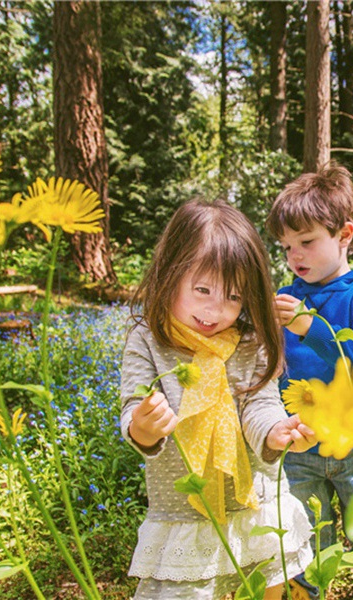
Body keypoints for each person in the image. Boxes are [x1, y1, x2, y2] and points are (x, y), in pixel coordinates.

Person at [120, 199, 316, 600]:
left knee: (267, 585)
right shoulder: (147, 341)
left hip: (257, 504)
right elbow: (132, 410)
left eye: (233, 297)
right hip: (184, 510)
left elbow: (260, 404)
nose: (215, 310)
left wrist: (275, 432)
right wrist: (143, 427)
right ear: (169, 274)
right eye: (202, 290)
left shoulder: (249, 341)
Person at [266, 163, 353, 598]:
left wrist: (309, 325)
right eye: (286, 247)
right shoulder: (289, 297)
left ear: (345, 234)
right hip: (301, 445)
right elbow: (276, 362)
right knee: (303, 540)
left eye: (306, 241)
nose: (294, 256)